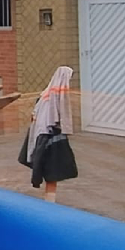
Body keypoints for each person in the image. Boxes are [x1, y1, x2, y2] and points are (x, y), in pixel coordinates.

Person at [20, 66, 78, 203]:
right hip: (51, 138)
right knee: (53, 171)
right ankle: (49, 201)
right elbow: (62, 113)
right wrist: (66, 129)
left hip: (42, 136)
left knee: (48, 169)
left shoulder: (45, 95)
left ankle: (49, 198)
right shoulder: (58, 95)